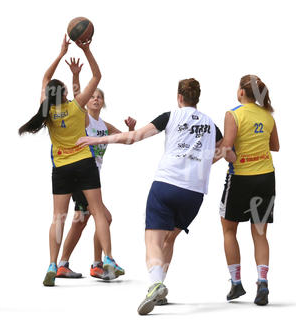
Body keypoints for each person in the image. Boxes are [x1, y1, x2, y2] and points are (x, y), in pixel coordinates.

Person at [77, 78, 223, 315]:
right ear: (197, 99)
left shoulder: (171, 116)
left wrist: (98, 139)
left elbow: (133, 137)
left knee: (153, 240)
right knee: (170, 239)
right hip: (194, 193)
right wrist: (204, 163)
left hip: (166, 185)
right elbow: (227, 151)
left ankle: (155, 283)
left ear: (179, 98)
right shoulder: (211, 124)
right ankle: (160, 288)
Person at [18, 36, 121, 286]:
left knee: (58, 218)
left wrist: (59, 54)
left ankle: (53, 264)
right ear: (65, 93)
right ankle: (107, 258)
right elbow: (97, 76)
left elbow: (45, 79)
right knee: (97, 211)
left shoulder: (47, 112)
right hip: (84, 163)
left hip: (61, 167)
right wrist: (86, 50)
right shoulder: (77, 107)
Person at [56, 57, 136, 280]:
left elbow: (127, 140)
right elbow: (76, 95)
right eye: (92, 96)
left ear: (103, 102)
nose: (95, 99)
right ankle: (97, 264)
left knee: (80, 222)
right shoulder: (83, 119)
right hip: (81, 176)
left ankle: (64, 264)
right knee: (103, 218)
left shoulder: (104, 125)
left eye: (99, 97)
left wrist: (131, 129)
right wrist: (75, 76)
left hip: (91, 179)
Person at [218, 75, 279, 306]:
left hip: (241, 178)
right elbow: (275, 146)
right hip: (266, 178)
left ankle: (236, 284)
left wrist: (227, 152)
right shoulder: (267, 115)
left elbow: (226, 148)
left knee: (228, 230)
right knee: (260, 233)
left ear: (241, 92)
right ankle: (262, 282)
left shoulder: (233, 114)